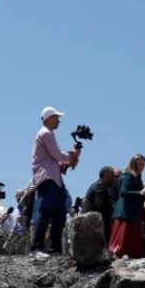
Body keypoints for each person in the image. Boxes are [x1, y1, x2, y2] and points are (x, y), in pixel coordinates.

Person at [30, 106, 81, 255]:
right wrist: (71, 157)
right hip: (47, 178)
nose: (59, 120)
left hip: (53, 178)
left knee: (59, 213)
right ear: (50, 118)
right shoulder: (45, 134)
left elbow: (56, 160)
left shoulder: (48, 134)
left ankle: (55, 248)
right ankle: (37, 247)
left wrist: (70, 159)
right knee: (46, 211)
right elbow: (58, 155)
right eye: (57, 117)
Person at [109, 154, 145, 258]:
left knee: (131, 245)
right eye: (140, 164)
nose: (142, 167)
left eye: (143, 164)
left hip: (133, 215)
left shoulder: (137, 178)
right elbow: (123, 193)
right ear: (133, 163)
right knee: (122, 245)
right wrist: (141, 193)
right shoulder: (127, 176)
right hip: (125, 214)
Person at [84, 166, 119, 242]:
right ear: (106, 175)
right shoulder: (100, 186)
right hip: (94, 225)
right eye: (113, 176)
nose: (114, 179)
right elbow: (100, 207)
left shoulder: (98, 185)